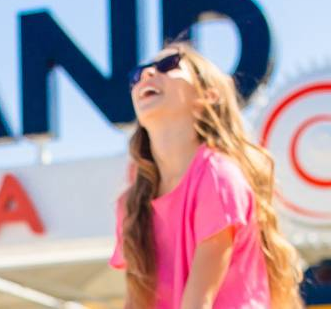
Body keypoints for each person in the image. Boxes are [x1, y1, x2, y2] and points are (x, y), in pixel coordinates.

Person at [111, 43, 301, 308]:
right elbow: (137, 301)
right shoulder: (132, 204)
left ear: (207, 95)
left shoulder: (217, 177)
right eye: (138, 73)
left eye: (169, 65)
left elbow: (200, 301)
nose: (147, 74)